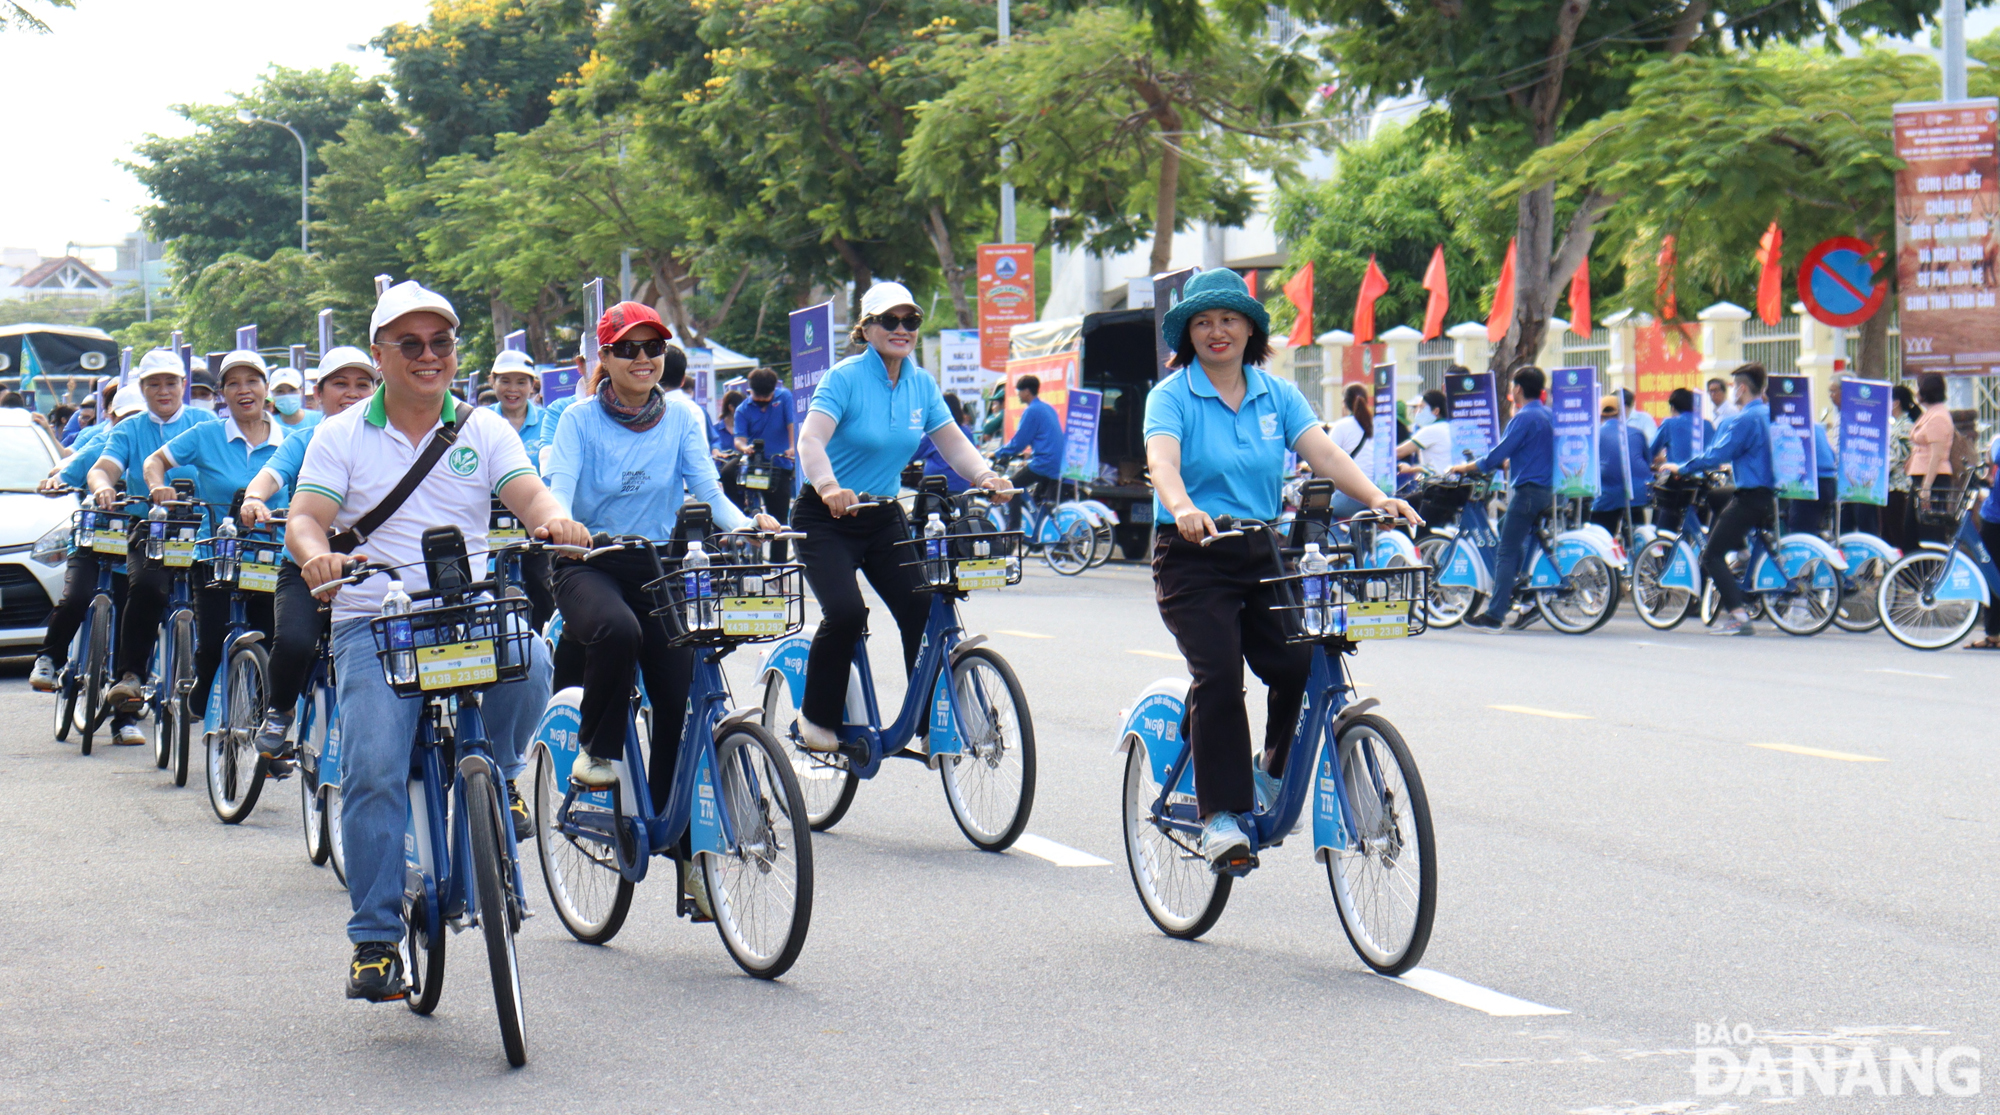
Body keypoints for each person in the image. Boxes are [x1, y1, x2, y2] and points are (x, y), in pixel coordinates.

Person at [283, 281, 586, 1002]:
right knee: (376, 768)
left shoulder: (485, 429)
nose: (429, 356)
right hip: (375, 620)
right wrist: (316, 556)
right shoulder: (339, 434)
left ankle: (502, 774)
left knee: (534, 656)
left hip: (468, 613)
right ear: (381, 353)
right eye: (410, 344)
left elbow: (529, 494)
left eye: (441, 343)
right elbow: (304, 518)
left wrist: (556, 520)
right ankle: (376, 940)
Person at [1143, 268, 1421, 869]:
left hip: (1265, 553)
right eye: (1203, 322)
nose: (1217, 331)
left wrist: (1376, 498)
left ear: (1250, 329)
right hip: (1194, 555)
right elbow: (1162, 463)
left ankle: (1270, 771)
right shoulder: (1171, 395)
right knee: (1218, 676)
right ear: (1188, 334)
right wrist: (1184, 507)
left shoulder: (1276, 393)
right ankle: (1218, 815)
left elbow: (1322, 452)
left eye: (1229, 319)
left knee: (1301, 660)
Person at [544, 304, 778, 869]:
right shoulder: (577, 420)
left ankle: (672, 827)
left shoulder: (682, 417)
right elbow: (558, 490)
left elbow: (709, 493)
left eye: (653, 348)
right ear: (605, 357)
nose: (643, 358)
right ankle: (597, 752)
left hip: (659, 567)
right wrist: (562, 524)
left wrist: (749, 524)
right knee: (618, 632)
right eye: (627, 348)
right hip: (588, 563)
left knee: (680, 696)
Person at [792, 281, 1009, 752]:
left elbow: (951, 441)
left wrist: (986, 476)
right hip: (824, 516)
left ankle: (931, 724)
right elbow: (810, 440)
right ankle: (815, 719)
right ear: (865, 329)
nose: (902, 329)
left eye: (910, 320)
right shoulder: (844, 378)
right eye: (889, 320)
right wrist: (829, 487)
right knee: (847, 612)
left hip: (881, 515)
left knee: (923, 608)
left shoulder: (920, 383)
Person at [240, 346, 378, 759]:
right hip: (306, 569)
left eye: (362, 384)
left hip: (372, 570)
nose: (351, 394)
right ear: (317, 395)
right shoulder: (305, 439)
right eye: (340, 384)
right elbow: (270, 475)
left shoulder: (389, 438)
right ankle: (280, 710)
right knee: (297, 642)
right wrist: (254, 498)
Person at [138, 351, 287, 727]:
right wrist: (158, 487)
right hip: (216, 553)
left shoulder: (291, 441)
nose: (244, 390)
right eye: (233, 383)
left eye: (252, 381)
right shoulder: (207, 435)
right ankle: (203, 693)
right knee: (212, 641)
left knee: (272, 641)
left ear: (266, 388)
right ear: (222, 393)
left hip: (271, 553)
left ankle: (254, 720)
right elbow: (154, 462)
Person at [88, 351, 217, 744]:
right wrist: (104, 487)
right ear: (142, 389)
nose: (164, 391)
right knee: (143, 588)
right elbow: (103, 467)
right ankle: (130, 682)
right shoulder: (129, 430)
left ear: (184, 386)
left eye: (171, 382)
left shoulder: (206, 424)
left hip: (202, 533)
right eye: (154, 384)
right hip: (153, 530)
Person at [29, 383, 146, 693]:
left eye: (139, 417)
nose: (131, 425)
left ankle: (125, 714)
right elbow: (71, 467)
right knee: (76, 598)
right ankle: (49, 658)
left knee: (130, 615)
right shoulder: (104, 444)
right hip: (93, 541)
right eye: (125, 418)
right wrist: (55, 482)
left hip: (133, 546)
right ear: (112, 417)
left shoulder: (157, 449)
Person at [1663, 363, 1774, 636]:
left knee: (1711, 555)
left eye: (1735, 385)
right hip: (1772, 494)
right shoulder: (1770, 413)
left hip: (1751, 496)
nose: (1733, 390)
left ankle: (1739, 617)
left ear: (1743, 388)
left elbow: (1716, 454)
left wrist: (1682, 467)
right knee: (1717, 496)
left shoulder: (1744, 420)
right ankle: (1744, 554)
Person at [1449, 366, 1555, 632]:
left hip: (1528, 492)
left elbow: (1495, 456)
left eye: (1511, 386)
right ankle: (1523, 591)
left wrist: (1465, 467)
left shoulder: (1523, 418)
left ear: (1517, 388)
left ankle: (1495, 614)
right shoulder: (1548, 415)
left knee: (1505, 551)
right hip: (1547, 492)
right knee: (1513, 532)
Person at [733, 367, 797, 559]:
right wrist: (744, 448)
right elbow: (739, 439)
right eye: (757, 397)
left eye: (766, 398)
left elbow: (791, 423)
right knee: (729, 473)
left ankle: (778, 568)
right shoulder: (743, 409)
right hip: (754, 466)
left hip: (778, 466)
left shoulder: (784, 397)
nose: (761, 401)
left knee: (779, 518)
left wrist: (792, 447)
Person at [997, 373, 1065, 532]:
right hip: (1057, 463)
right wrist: (1029, 454)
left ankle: (1014, 529)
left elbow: (1019, 442)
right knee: (1036, 502)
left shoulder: (1031, 411)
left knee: (1011, 487)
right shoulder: (1047, 407)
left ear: (1027, 391)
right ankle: (1038, 532)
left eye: (1019, 391)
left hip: (1044, 463)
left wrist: (999, 454)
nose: (1018, 395)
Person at [1648, 388, 1713, 531]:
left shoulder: (1669, 424)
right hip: (1705, 484)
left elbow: (1650, 453)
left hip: (1678, 485)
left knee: (1665, 530)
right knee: (1701, 529)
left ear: (1672, 407)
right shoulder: (1707, 425)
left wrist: (1660, 460)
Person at [1590, 395, 1651, 536]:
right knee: (1638, 535)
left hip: (1607, 496)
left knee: (1602, 538)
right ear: (1621, 413)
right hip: (1637, 494)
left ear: (1599, 416)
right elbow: (1647, 462)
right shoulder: (1637, 433)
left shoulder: (1595, 435)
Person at [1906, 372, 1955, 544]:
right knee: (1912, 529)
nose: (1915, 392)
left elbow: (1936, 454)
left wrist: (1927, 486)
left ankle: (1931, 568)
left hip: (1932, 479)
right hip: (1922, 476)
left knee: (1929, 532)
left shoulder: (1938, 417)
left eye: (1918, 388)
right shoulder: (1930, 413)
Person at [1966, 433, 2000, 649]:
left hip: (1993, 515)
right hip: (1992, 515)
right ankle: (1994, 634)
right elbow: (1990, 471)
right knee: (1990, 574)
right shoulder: (1996, 441)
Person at [485, 349, 550, 460]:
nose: (513, 389)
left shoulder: (548, 421)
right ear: (493, 382)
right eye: (505, 381)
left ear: (532, 385)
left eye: (521, 382)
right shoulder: (481, 421)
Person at [917, 392, 978, 492]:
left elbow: (914, 452)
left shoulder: (935, 432)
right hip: (963, 485)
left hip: (937, 486)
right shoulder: (967, 431)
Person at [1883, 384, 1919, 550]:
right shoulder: (1898, 425)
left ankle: (1902, 570)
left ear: (1895, 403)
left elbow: (1893, 459)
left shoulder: (1903, 427)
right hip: (1892, 487)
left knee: (1896, 534)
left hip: (1897, 487)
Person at [1395, 390, 1453, 473]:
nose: (1418, 412)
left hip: (1438, 482)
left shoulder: (1432, 430)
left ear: (1436, 411)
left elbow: (1399, 452)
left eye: (1422, 408)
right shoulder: (1448, 427)